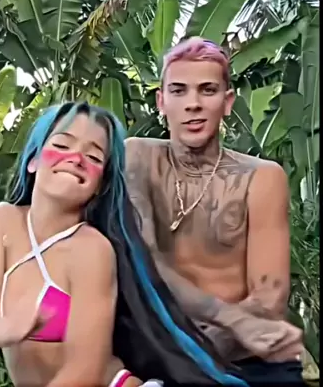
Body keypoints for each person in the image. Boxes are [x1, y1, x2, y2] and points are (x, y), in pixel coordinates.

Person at [0, 101, 252, 387]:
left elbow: (84, 372)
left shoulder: (91, 250)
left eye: (93, 157)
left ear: (100, 184)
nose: (76, 158)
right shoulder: (3, 221)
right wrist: (7, 329)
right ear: (33, 160)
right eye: (62, 145)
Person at [124, 37, 305, 385]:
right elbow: (143, 265)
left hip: (245, 360)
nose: (193, 104)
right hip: (161, 356)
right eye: (178, 91)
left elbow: (269, 298)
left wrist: (192, 355)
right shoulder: (137, 159)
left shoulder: (260, 178)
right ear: (161, 101)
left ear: (227, 102)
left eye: (207, 90)